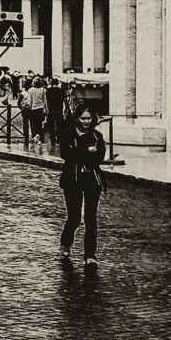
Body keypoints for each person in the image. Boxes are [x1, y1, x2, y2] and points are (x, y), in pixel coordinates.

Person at [58, 106, 108, 265]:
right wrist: (86, 151)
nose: (86, 122)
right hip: (72, 180)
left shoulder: (96, 136)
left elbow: (99, 157)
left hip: (92, 180)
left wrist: (81, 154)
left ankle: (90, 255)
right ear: (77, 119)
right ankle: (65, 242)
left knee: (90, 219)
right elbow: (66, 155)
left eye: (89, 118)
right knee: (74, 218)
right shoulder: (68, 134)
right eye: (83, 118)